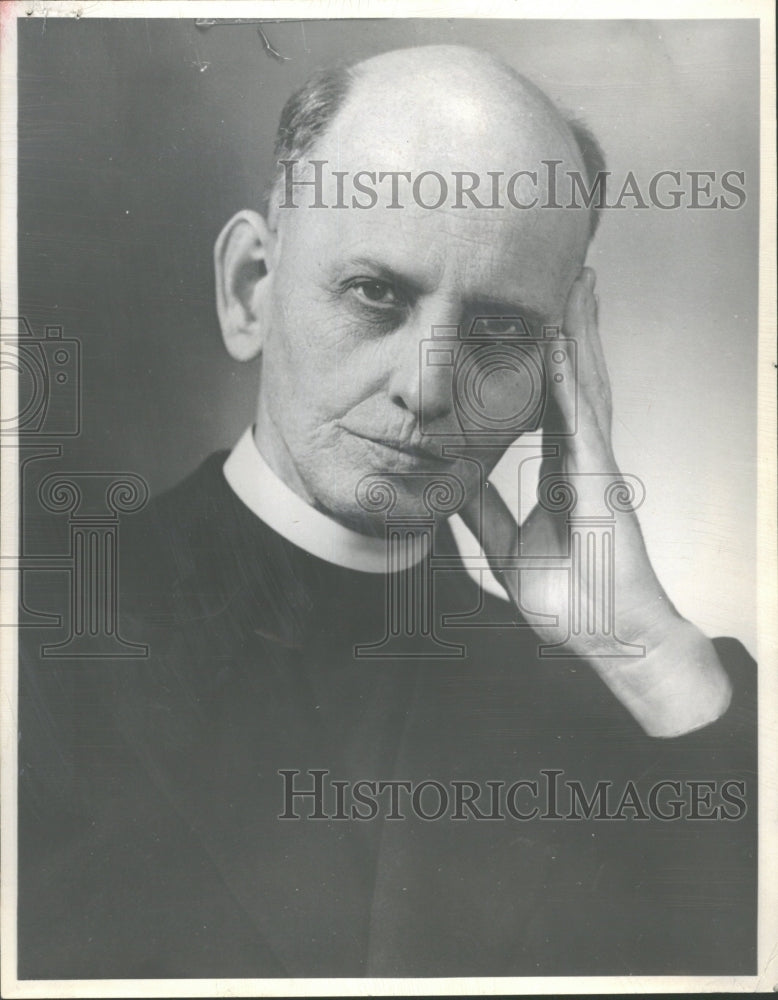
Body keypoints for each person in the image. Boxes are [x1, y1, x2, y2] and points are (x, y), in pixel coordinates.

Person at [18, 45, 756, 980]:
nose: (428, 389)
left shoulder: (622, 713)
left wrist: (647, 659)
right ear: (251, 287)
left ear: (555, 369)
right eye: (376, 294)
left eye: (499, 333)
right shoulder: (36, 647)